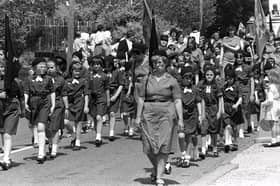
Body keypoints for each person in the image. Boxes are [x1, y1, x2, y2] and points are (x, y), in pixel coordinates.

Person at [135, 50, 183, 186]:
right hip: (148, 113)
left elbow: (178, 100)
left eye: (160, 62)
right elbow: (141, 99)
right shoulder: (146, 79)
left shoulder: (172, 80)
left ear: (165, 63)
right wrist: (138, 117)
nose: (158, 64)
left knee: (163, 145)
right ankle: (157, 169)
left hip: (166, 113)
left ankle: (159, 177)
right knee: (149, 146)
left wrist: (180, 119)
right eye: (155, 62)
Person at [24, 58, 55, 164]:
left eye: (44, 66)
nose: (43, 68)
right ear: (35, 68)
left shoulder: (48, 79)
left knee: (41, 126)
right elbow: (26, 91)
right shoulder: (29, 79)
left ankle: (41, 153)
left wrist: (53, 105)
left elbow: (52, 92)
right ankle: (44, 147)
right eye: (40, 66)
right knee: (34, 125)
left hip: (44, 103)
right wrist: (25, 103)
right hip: (33, 103)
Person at [0, 60, 24, 170]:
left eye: (5, 68)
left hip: (12, 109)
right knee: (2, 132)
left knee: (7, 133)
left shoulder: (16, 82)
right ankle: (6, 155)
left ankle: (6, 159)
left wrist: (23, 110)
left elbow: (21, 97)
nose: (3, 70)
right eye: (1, 67)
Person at [177, 66, 201, 168]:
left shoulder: (194, 89)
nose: (188, 79)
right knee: (181, 136)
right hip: (181, 115)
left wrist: (200, 115)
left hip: (192, 116)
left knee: (189, 136)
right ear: (182, 78)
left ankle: (187, 157)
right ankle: (182, 153)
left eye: (190, 77)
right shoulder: (178, 88)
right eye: (186, 77)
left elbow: (198, 101)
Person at [62, 61, 90, 151]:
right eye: (75, 70)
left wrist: (86, 106)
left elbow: (86, 94)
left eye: (79, 71)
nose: (77, 72)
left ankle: (77, 142)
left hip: (80, 103)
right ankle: (74, 134)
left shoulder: (84, 81)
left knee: (78, 122)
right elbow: (64, 94)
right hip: (70, 104)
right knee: (66, 122)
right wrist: (66, 106)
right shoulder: (67, 82)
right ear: (71, 71)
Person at [198, 64, 223, 158]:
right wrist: (202, 113)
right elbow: (202, 99)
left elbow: (220, 99)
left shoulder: (216, 86)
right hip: (206, 108)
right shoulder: (202, 86)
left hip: (214, 108)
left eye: (211, 75)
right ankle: (203, 149)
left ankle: (215, 148)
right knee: (204, 129)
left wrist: (219, 111)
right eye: (207, 74)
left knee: (213, 130)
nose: (209, 76)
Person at [88, 56, 109, 147]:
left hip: (101, 98)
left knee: (99, 117)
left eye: (98, 64)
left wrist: (108, 99)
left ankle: (98, 137)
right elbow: (87, 88)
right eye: (94, 64)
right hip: (92, 99)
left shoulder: (104, 76)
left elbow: (107, 88)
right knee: (94, 117)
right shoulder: (90, 76)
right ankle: (97, 134)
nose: (96, 66)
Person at [46, 58, 66, 159]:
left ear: (56, 68)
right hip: (45, 105)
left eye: (52, 67)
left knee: (54, 127)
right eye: (48, 67)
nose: (49, 69)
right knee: (46, 127)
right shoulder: (43, 79)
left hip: (58, 104)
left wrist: (66, 108)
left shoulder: (61, 79)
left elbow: (64, 94)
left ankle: (54, 149)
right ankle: (50, 143)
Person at [222, 64, 243, 153]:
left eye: (230, 78)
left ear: (233, 78)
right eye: (227, 79)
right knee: (227, 125)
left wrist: (236, 105)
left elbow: (240, 98)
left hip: (235, 108)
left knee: (234, 127)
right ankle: (227, 143)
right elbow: (221, 98)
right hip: (226, 107)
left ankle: (235, 141)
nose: (229, 80)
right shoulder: (224, 87)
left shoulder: (237, 86)